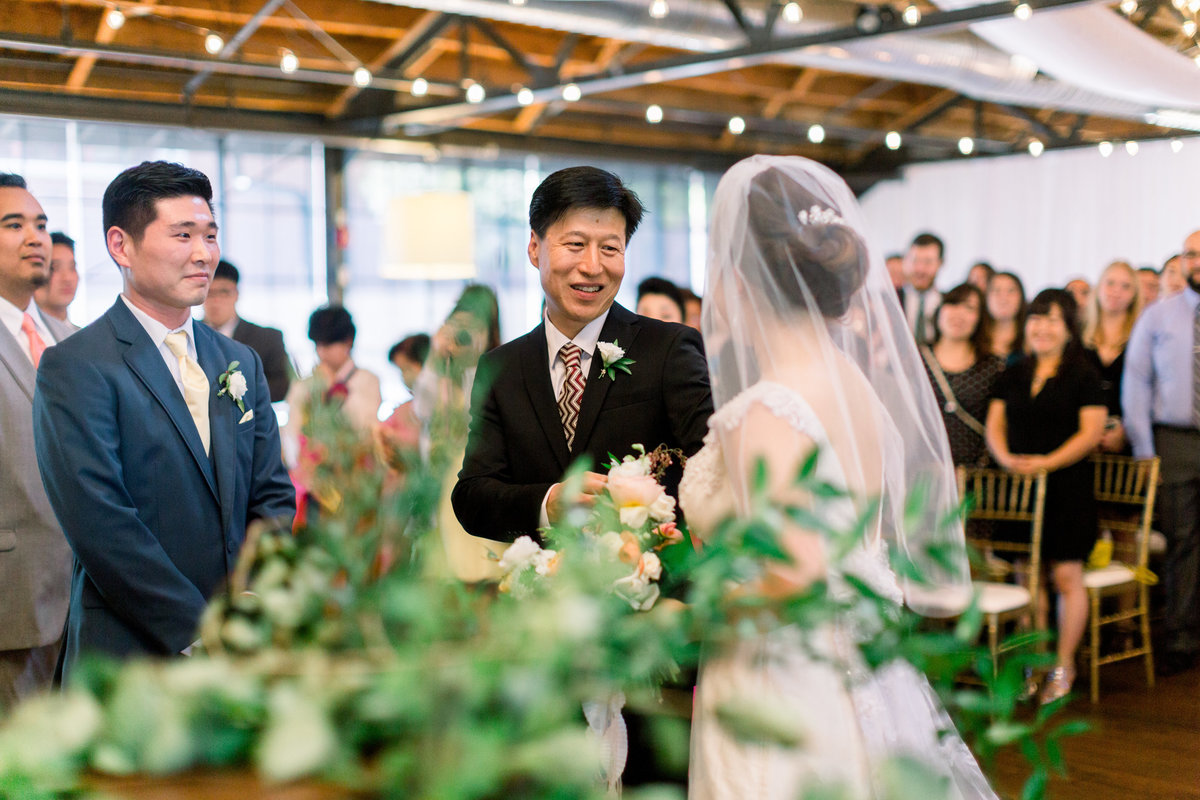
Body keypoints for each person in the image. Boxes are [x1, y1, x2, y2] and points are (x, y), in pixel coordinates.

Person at [682, 155, 990, 800]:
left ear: (743, 279)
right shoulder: (855, 387)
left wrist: (683, 613)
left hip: (776, 678)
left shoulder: (765, 408)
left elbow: (793, 576)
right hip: (860, 659)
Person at [32, 161, 295, 676]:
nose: (204, 253)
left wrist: (255, 599)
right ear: (121, 246)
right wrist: (201, 629)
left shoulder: (238, 362)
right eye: (183, 235)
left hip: (245, 648)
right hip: (131, 658)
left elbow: (272, 493)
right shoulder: (77, 366)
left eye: (210, 235)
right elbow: (101, 521)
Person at [452, 166, 712, 545]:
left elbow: (714, 470)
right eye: (575, 244)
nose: (593, 266)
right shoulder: (502, 368)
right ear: (534, 247)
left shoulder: (670, 349)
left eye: (610, 248)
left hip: (658, 593)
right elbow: (472, 497)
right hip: (543, 596)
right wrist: (547, 503)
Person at [986, 289, 1106, 703]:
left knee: (1066, 576)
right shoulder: (1013, 372)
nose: (1042, 327)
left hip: (1067, 487)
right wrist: (1005, 459)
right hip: (1020, 488)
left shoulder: (1084, 374)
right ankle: (1034, 662)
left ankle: (1064, 663)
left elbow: (1091, 432)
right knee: (1026, 576)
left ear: (1069, 328)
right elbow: (995, 426)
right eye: (1036, 318)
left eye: (1053, 319)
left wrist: (1048, 462)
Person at [0, 174, 74, 709]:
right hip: (12, 593)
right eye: (14, 224)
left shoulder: (71, 340)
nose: (36, 237)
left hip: (85, 601)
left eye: (41, 224)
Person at [1122, 230, 1200, 676]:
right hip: (1175, 440)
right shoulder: (1157, 315)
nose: (1197, 261)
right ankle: (1181, 636)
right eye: (1191, 254)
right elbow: (1136, 383)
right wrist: (1144, 449)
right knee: (1183, 541)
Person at [922, 284, 1003, 466]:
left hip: (976, 475)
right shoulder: (916, 360)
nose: (959, 314)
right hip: (922, 474)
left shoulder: (994, 367)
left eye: (970, 308)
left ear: (980, 318)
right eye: (953, 304)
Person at [284, 305, 382, 452]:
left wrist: (330, 385)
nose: (321, 352)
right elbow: (292, 432)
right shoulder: (303, 385)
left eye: (328, 345)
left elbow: (364, 426)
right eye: (317, 345)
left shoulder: (368, 380)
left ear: (348, 342)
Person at [202, 259, 292, 402]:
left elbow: (280, 387)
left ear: (236, 294)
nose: (216, 300)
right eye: (209, 292)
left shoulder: (267, 338)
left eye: (224, 292)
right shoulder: (187, 336)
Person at [1082, 261, 1143, 454]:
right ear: (1098, 288)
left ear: (1134, 295)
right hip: (1079, 444)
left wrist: (1124, 432)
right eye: (1110, 283)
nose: (1116, 291)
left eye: (1125, 286)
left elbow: (1149, 394)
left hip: (1128, 444)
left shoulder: (1142, 339)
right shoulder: (1077, 339)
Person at [900, 232, 944, 343]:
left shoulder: (948, 302)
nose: (920, 269)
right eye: (915, 261)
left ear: (940, 263)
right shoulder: (890, 301)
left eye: (928, 262)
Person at [34, 232, 80, 329]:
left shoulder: (86, 337)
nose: (67, 278)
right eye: (55, 268)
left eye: (72, 267)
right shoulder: (29, 336)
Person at [985, 270, 1026, 361]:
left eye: (1011, 291)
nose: (1004, 298)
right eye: (996, 290)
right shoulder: (975, 338)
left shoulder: (1030, 340)